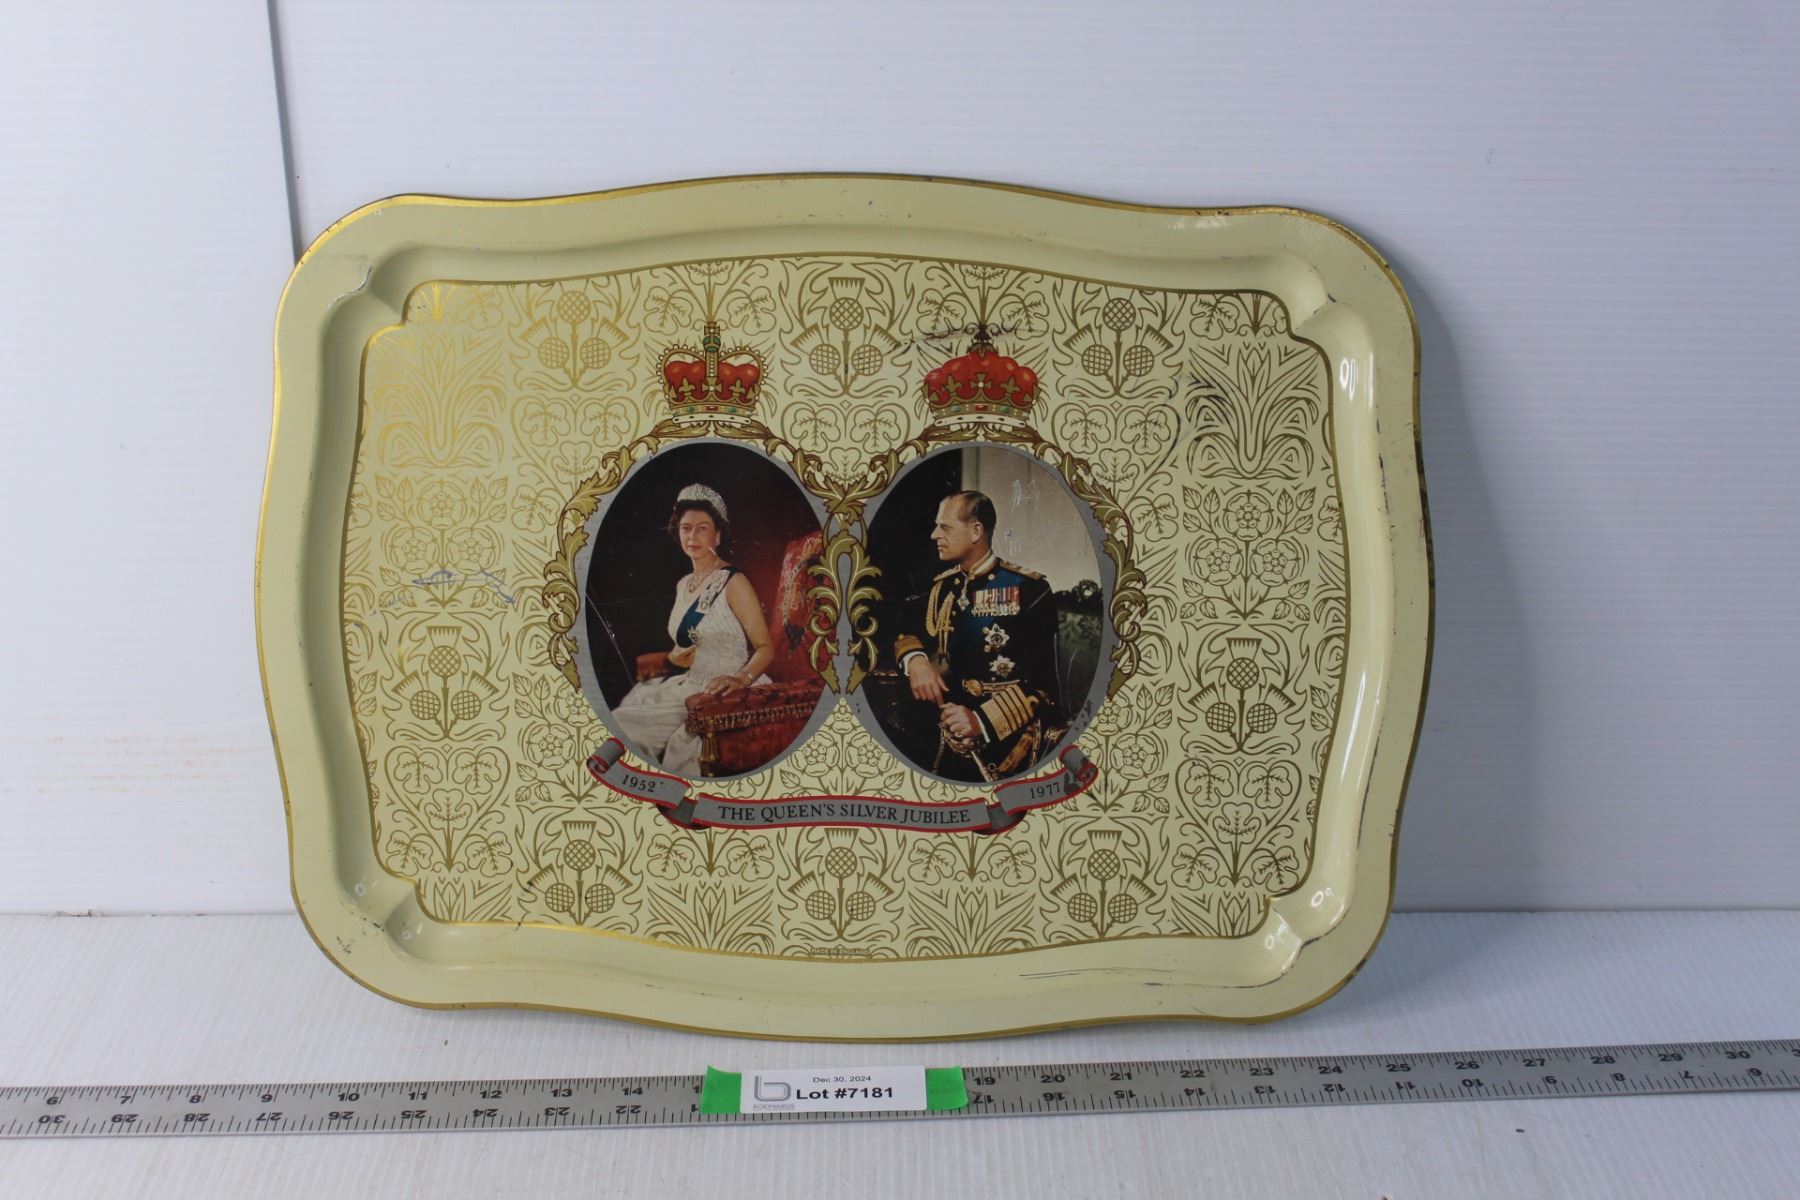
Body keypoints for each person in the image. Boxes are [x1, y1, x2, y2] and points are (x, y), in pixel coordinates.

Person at [891, 490, 1059, 783]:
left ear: (976, 531)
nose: (934, 535)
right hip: (942, 726)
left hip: (1005, 736)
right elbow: (907, 629)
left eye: (944, 527)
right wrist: (916, 661)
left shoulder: (1030, 590)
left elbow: (1044, 687)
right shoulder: (940, 588)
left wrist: (981, 721)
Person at [612, 483, 774, 776]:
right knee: (622, 721)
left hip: (725, 691)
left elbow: (766, 647)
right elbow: (685, 644)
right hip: (689, 685)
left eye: (702, 528)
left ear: (717, 535)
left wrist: (741, 678)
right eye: (686, 528)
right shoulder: (683, 585)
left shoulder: (733, 582)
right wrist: (676, 657)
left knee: (638, 735)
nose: (692, 536)